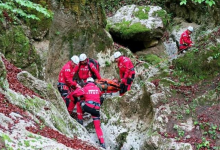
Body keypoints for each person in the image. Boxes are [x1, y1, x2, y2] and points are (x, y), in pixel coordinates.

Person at [71, 77, 106, 149]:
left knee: (78, 103)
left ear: (87, 83)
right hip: (96, 110)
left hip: (88, 107)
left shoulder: (85, 88)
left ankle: (80, 121)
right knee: (97, 127)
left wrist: (78, 88)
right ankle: (102, 143)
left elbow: (74, 94)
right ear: (93, 83)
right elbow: (99, 96)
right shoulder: (97, 89)